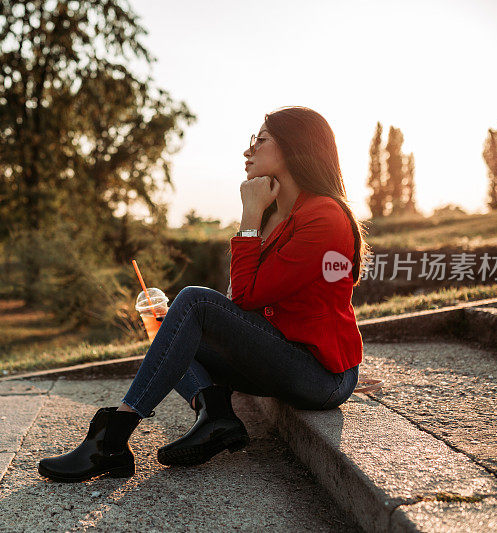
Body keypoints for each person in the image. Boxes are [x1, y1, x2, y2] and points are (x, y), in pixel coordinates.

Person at [38, 106, 369, 482]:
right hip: (284, 355)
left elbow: (243, 297)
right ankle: (216, 414)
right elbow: (242, 294)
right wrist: (256, 217)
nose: (249, 150)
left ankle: (114, 436)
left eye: (261, 140)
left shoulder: (322, 216)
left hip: (321, 375)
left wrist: (249, 214)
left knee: (194, 301)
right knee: (169, 326)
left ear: (295, 148)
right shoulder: (276, 216)